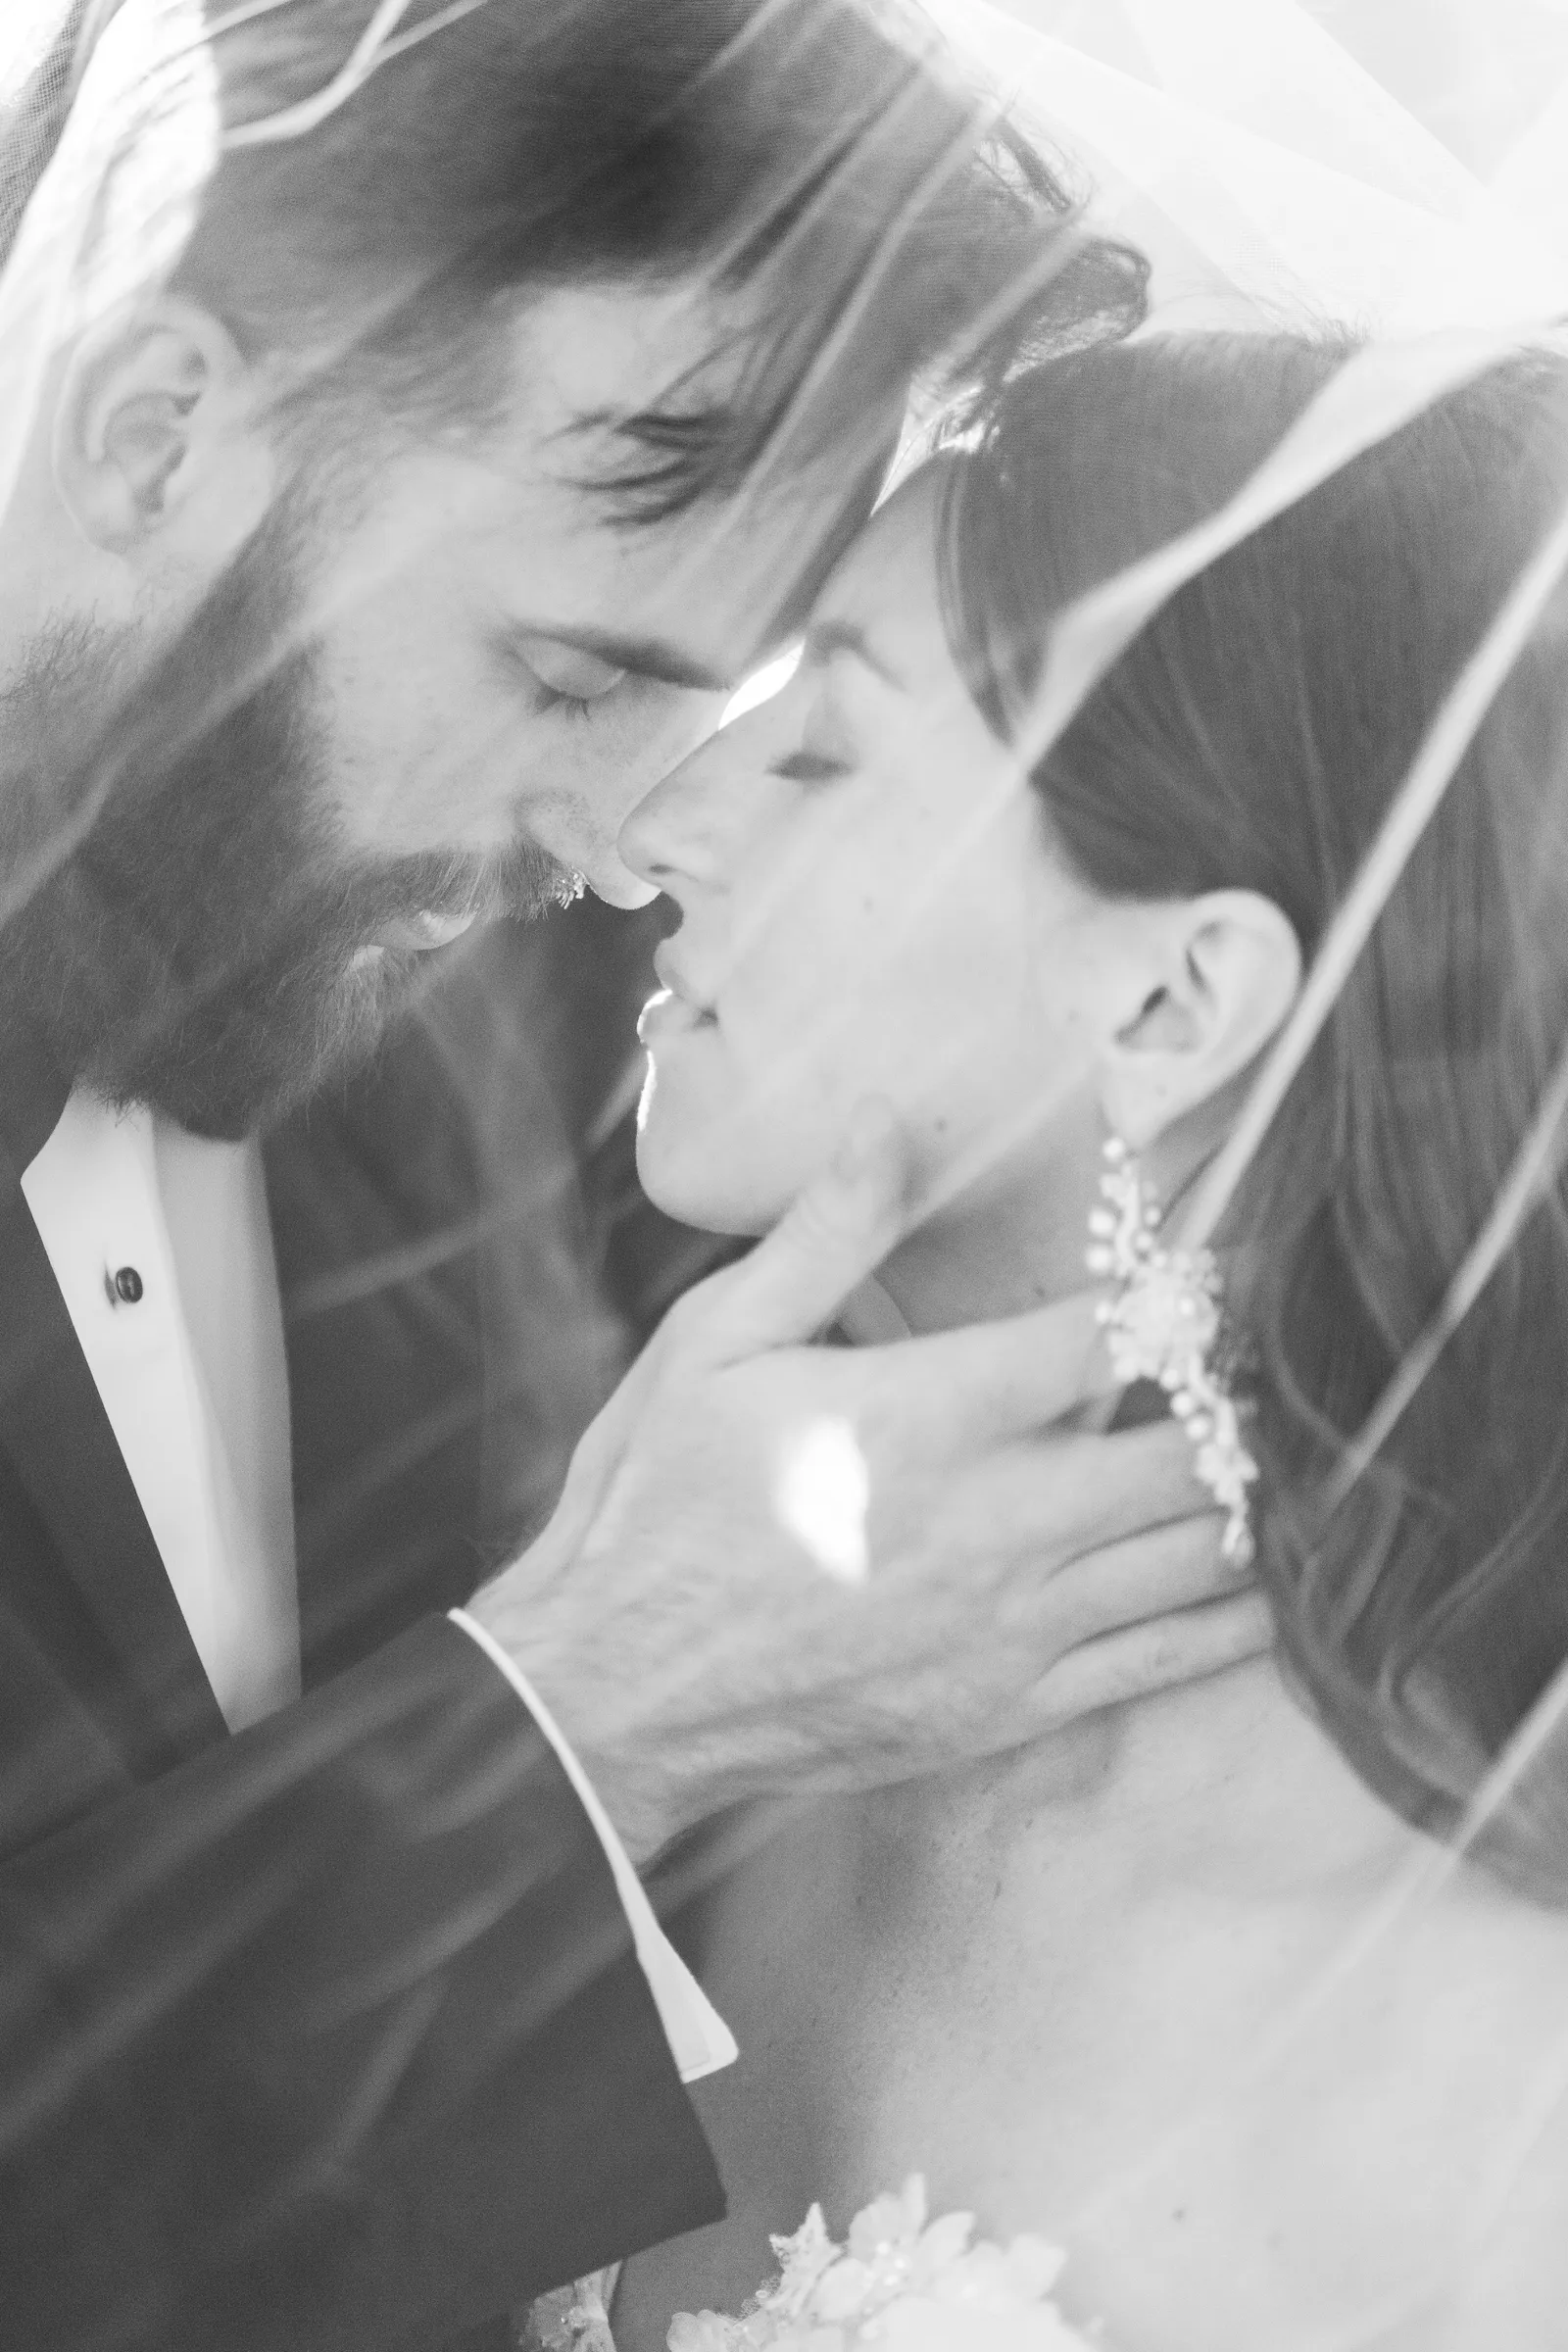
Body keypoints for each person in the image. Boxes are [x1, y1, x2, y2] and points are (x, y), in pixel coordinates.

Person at [0, 5, 1268, 2348]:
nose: (614, 852)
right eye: (574, 678)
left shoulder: (478, 1005)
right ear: (157, 431)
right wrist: (576, 1720)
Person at [609, 330, 1568, 2350]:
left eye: (813, 754)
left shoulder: (1502, 2068)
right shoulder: (683, 1700)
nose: (655, 823)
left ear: (1165, 1004)